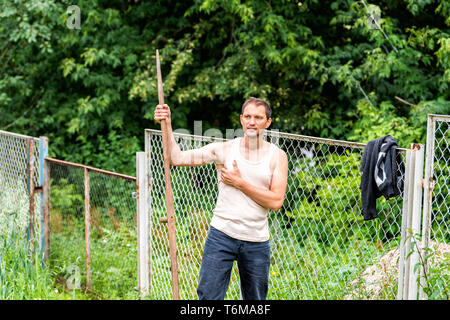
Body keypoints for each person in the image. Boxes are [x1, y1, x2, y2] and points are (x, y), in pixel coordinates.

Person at [153, 97, 288, 300]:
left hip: (256, 240)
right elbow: (176, 158)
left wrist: (240, 183)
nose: (252, 122)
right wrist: (168, 122)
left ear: (268, 122)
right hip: (222, 235)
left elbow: (276, 202)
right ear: (241, 120)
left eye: (258, 117)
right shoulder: (224, 150)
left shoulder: (277, 156)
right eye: (248, 116)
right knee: (208, 297)